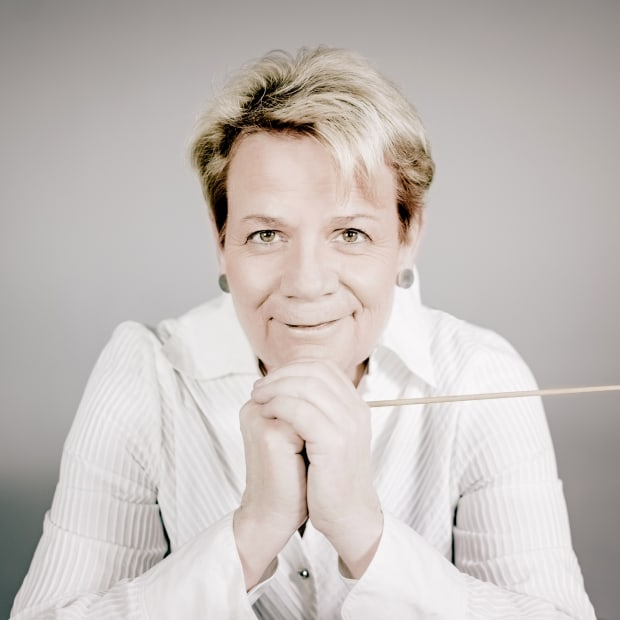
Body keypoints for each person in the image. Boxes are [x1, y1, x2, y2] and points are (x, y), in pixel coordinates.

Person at [11, 46, 595, 619]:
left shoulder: (482, 376)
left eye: (351, 234)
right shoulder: (148, 375)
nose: (307, 284)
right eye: (266, 235)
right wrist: (254, 529)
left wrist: (364, 531)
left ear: (408, 235)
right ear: (220, 240)